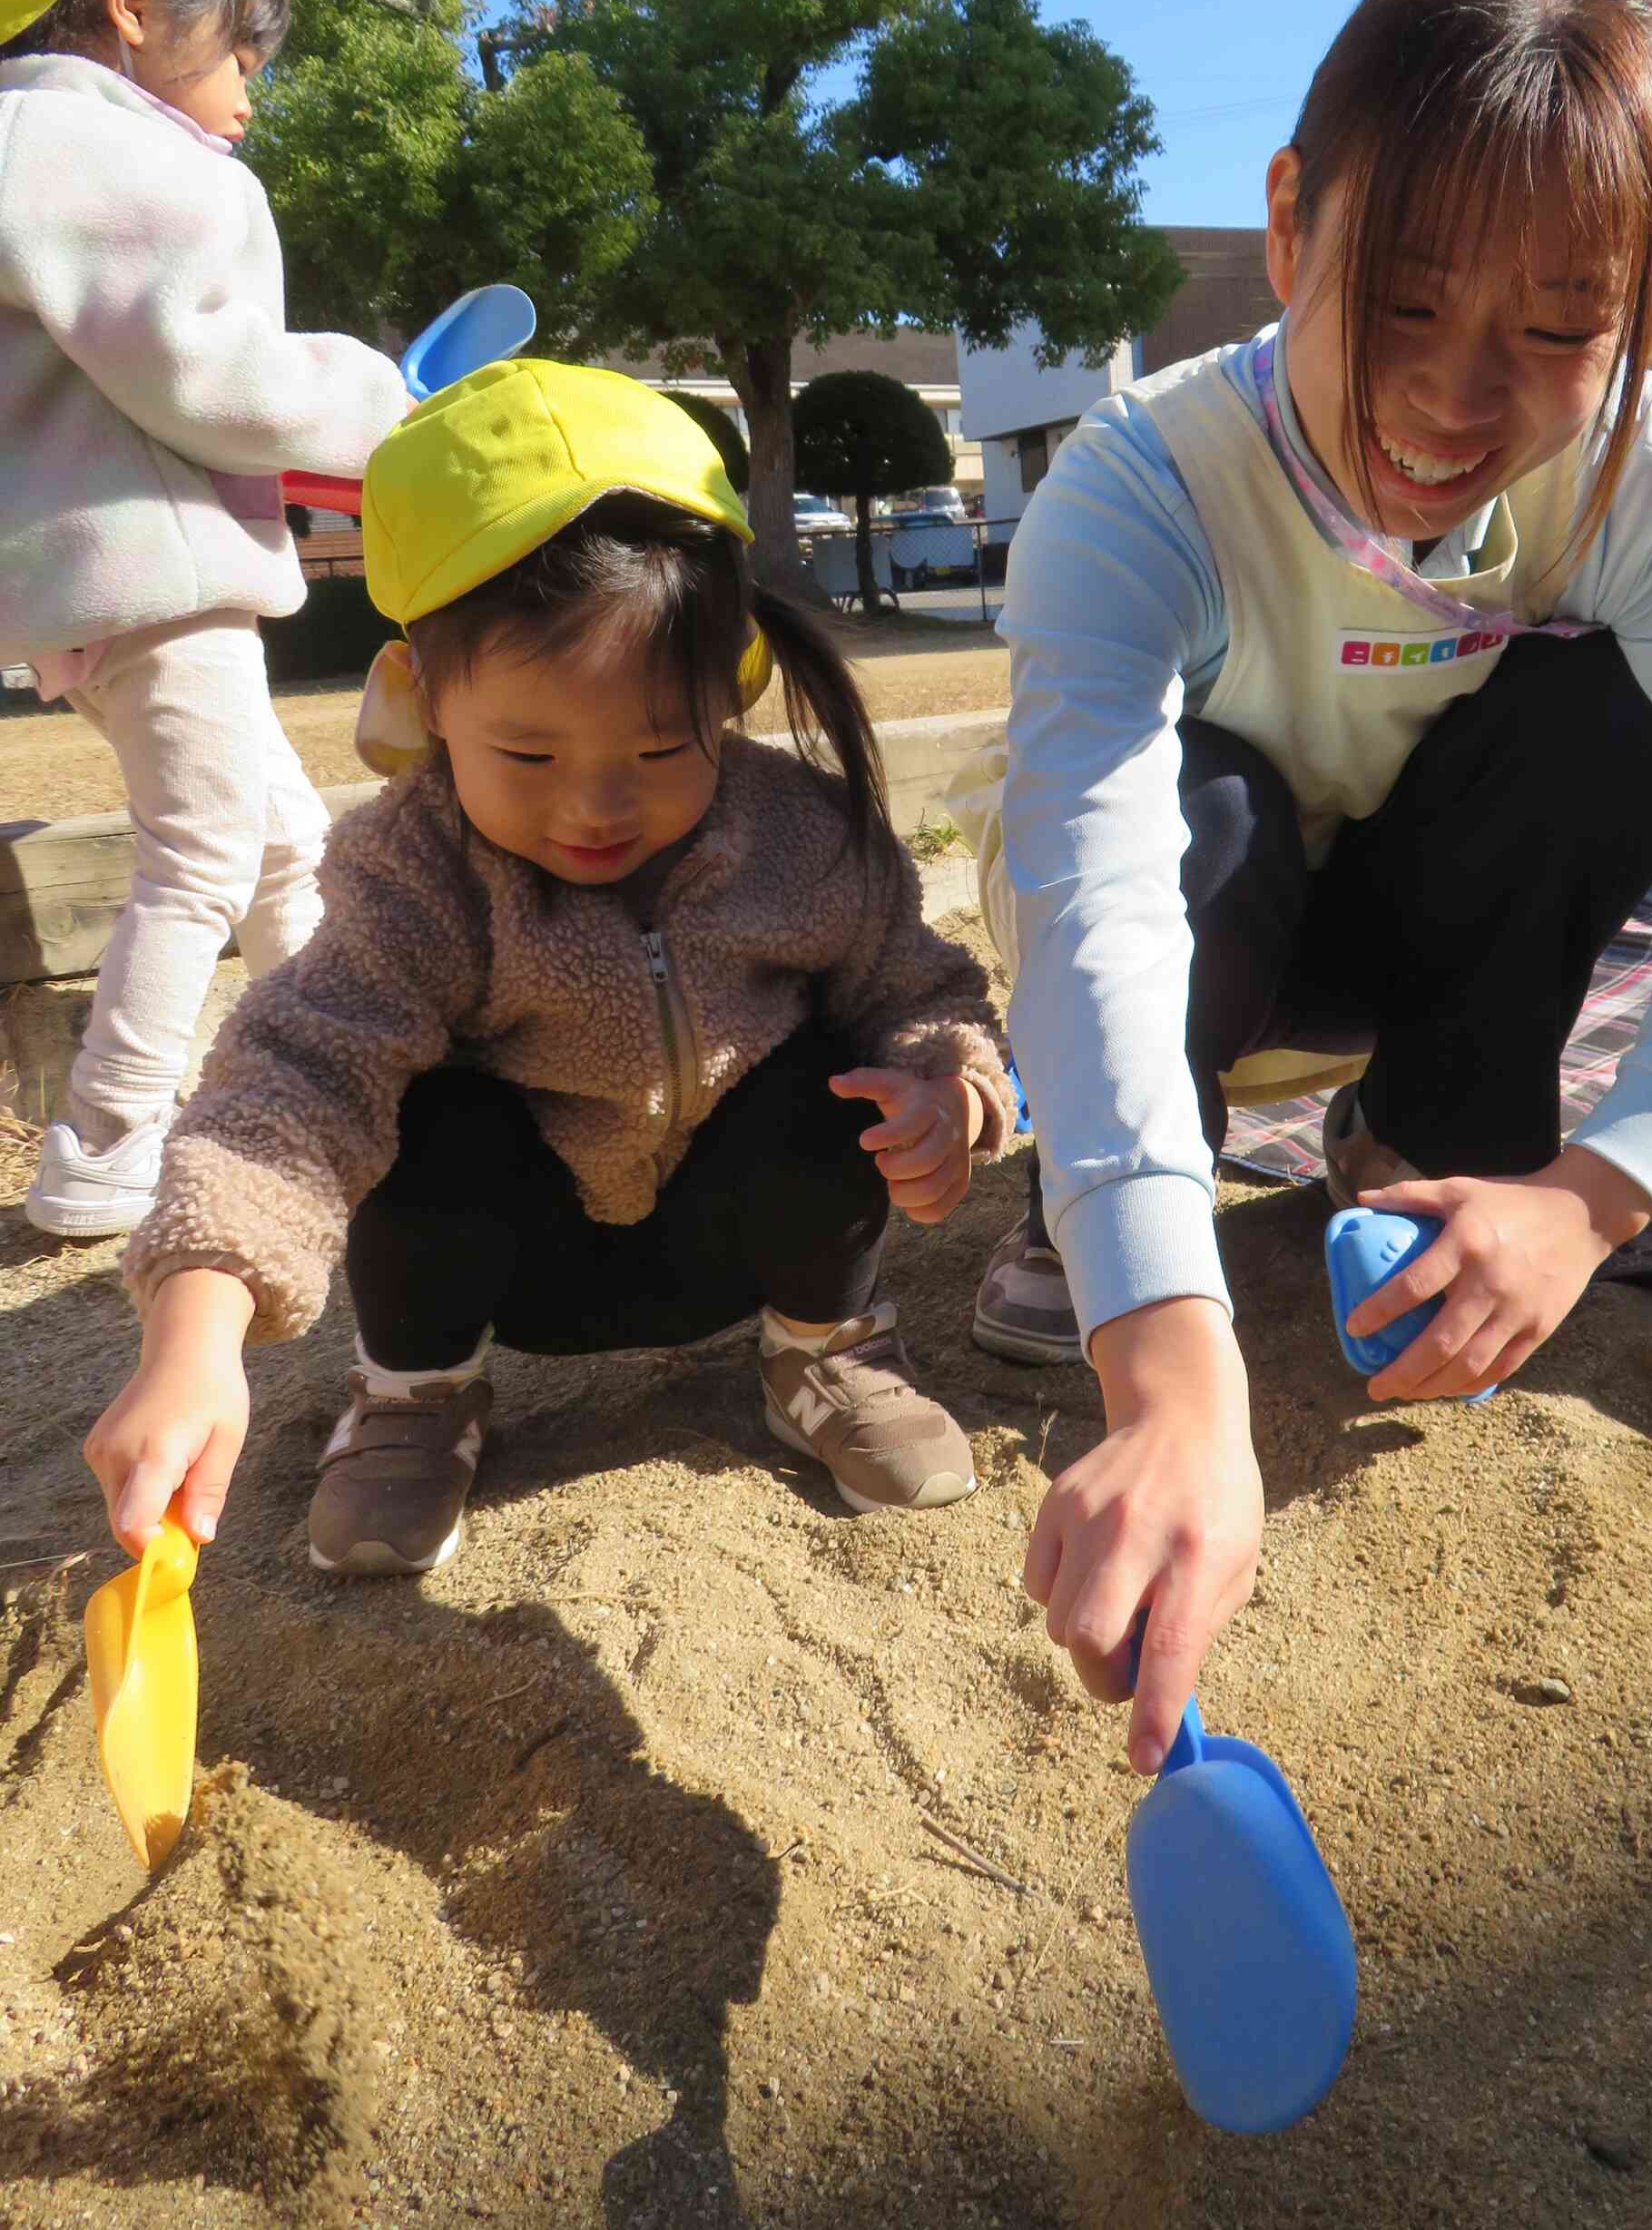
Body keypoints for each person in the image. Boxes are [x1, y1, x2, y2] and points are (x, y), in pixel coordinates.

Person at [957, 0, 1652, 1776]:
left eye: (1557, 326)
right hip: (1211, 933)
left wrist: (1598, 1194)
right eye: (1405, 296)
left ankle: (1433, 1142)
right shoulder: (1141, 487)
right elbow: (1096, 887)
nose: (1457, 395)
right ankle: (1151, 1181)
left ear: (1640, 313)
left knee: (1597, 708)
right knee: (1196, 798)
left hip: (1417, 923)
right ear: (1294, 225)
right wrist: (1170, 1358)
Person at [85, 360, 1012, 1573]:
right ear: (419, 700)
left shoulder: (804, 835)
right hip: (517, 1269)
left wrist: (952, 1091)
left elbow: (918, 990)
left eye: (659, 746)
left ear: (726, 689)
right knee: (421, 1107)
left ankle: (820, 1353)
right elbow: (294, 1084)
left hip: (738, 1248)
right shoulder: (414, 872)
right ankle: (418, 1395)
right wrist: (194, 1331)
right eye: (525, 752)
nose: (594, 805)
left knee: (831, 1073)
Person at [0, 0, 408, 1240]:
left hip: (79, 575)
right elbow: (206, 371)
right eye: (242, 48)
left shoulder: (17, 137)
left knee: (281, 839)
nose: (252, 87)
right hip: (152, 563)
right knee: (207, 848)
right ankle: (107, 1151)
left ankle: (345, 1087)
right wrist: (388, 404)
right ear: (129, 2)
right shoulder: (96, 147)